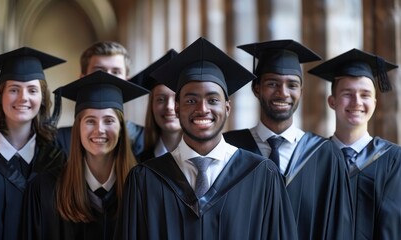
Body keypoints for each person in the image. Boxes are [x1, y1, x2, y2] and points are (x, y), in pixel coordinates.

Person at [117, 37, 298, 239]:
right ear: (177, 108)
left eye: (212, 100)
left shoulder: (262, 175)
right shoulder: (145, 179)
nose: (202, 109)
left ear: (227, 107)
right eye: (191, 100)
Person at [223, 39, 353, 240]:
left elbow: (338, 230)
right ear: (256, 88)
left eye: (292, 85)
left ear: (301, 91)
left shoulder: (326, 155)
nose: (283, 93)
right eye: (272, 83)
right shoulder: (229, 148)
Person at [23, 71, 149, 240]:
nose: (99, 129)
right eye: (90, 121)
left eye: (109, 120)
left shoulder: (144, 188)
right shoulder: (44, 189)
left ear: (121, 129)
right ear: (78, 128)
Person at [0, 47, 66, 240]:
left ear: (42, 99)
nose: (23, 97)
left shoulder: (56, 160)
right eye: (14, 89)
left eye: (32, 90)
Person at [308, 48, 401, 239]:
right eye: (347, 94)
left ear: (375, 103)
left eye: (365, 95)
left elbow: (394, 226)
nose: (356, 102)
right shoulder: (310, 158)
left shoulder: (394, 160)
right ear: (332, 101)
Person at [55, 41, 145, 157]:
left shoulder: (141, 138)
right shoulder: (61, 141)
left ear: (126, 80)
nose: (108, 77)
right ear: (83, 78)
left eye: (116, 72)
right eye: (99, 71)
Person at [129, 49, 182, 162]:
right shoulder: (137, 164)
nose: (169, 106)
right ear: (151, 106)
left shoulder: (204, 161)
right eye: (160, 99)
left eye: (177, 98)